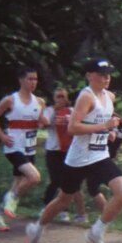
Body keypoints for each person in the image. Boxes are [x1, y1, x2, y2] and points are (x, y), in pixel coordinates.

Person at [24, 58, 122, 243]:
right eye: (101, 74)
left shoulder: (110, 96)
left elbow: (102, 120)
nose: (106, 78)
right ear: (89, 76)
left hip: (99, 156)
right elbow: (73, 128)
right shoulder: (86, 97)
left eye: (108, 74)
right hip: (79, 159)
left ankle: (96, 233)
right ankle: (37, 229)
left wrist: (109, 131)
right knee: (63, 200)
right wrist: (103, 127)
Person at [0, 65, 47, 230]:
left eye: (35, 79)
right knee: (34, 177)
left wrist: (44, 122)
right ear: (21, 80)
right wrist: (1, 135)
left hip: (29, 148)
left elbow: (40, 121)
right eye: (30, 79)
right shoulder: (11, 100)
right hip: (14, 147)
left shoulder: (39, 101)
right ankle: (12, 200)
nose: (33, 82)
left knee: (18, 182)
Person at [41, 87, 87, 224]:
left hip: (68, 151)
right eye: (58, 97)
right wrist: (54, 117)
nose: (60, 99)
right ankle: (46, 207)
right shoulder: (49, 111)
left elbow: (79, 125)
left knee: (70, 183)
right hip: (53, 150)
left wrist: (69, 121)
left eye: (63, 96)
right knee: (55, 180)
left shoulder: (72, 111)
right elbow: (43, 124)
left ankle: (67, 211)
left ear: (66, 98)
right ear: (54, 98)